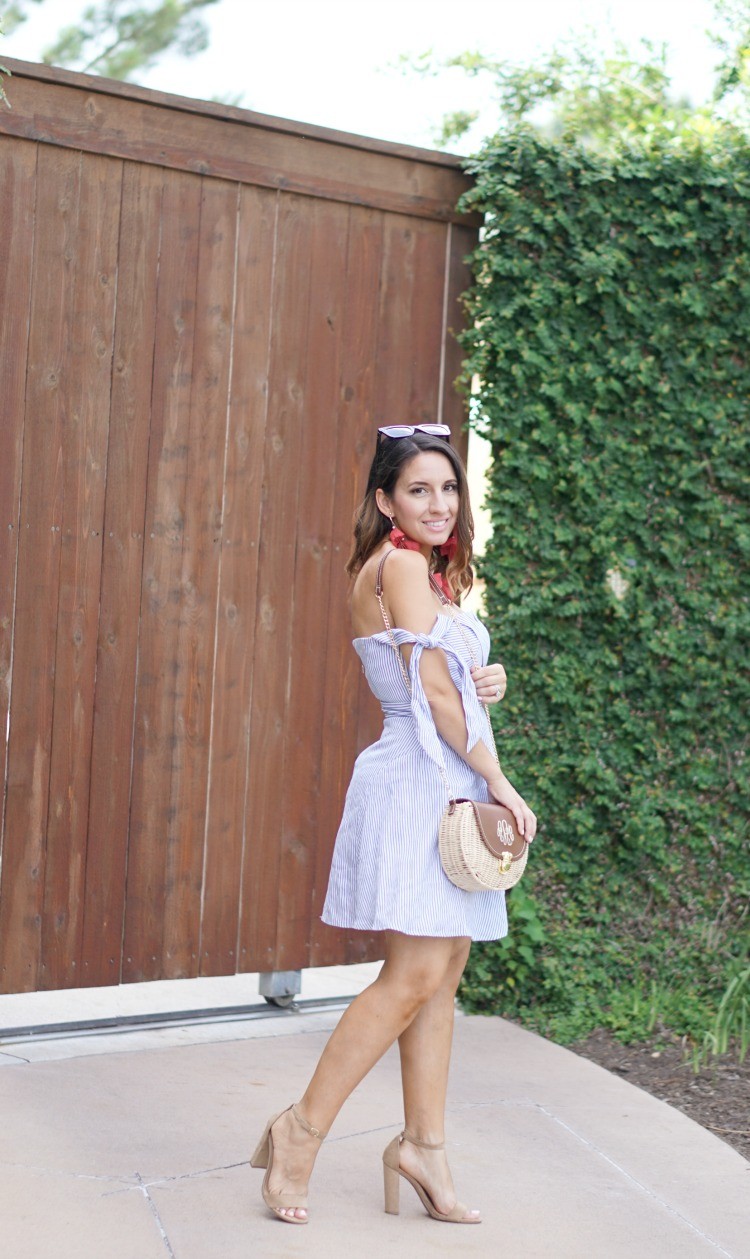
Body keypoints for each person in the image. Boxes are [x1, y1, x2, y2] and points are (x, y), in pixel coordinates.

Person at [251, 423, 537, 1225]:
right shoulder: (404, 564)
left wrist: (489, 679)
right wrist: (501, 780)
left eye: (448, 487)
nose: (439, 503)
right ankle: (299, 1130)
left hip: (429, 771)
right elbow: (435, 701)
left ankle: (424, 1146)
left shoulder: (422, 575)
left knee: (440, 975)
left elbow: (450, 683)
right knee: (412, 976)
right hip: (423, 781)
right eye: (419, 489)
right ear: (385, 500)